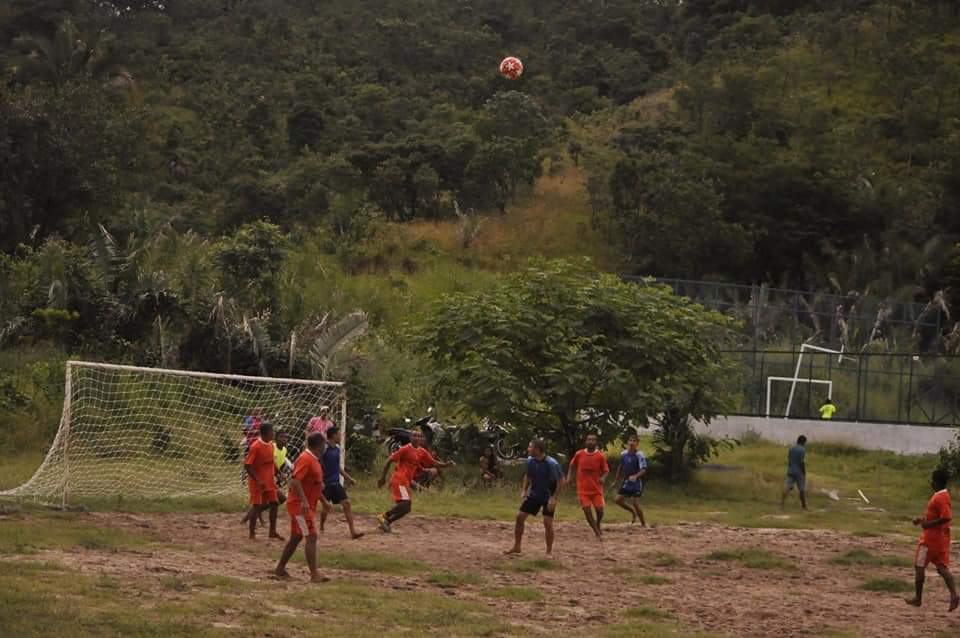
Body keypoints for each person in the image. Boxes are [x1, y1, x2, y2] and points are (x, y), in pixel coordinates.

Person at [274, 432, 333, 583]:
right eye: (324, 443)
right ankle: (314, 574)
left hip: (304, 506)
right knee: (311, 536)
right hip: (299, 508)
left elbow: (315, 485)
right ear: (319, 445)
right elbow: (295, 482)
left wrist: (324, 501)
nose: (326, 446)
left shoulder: (314, 460)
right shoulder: (306, 459)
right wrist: (304, 502)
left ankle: (280, 568)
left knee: (296, 537)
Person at [906, 469, 959, 611]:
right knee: (942, 568)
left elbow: (946, 517)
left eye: (932, 480)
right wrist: (922, 520)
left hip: (930, 540)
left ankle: (918, 598)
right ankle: (954, 594)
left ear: (936, 482)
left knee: (919, 566)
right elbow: (937, 516)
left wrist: (928, 524)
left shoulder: (939, 498)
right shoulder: (944, 495)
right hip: (941, 539)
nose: (930, 482)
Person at [505, 439, 563, 556]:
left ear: (537, 449)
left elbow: (561, 481)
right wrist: (524, 490)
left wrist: (554, 498)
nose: (528, 449)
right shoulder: (530, 460)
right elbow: (528, 475)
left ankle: (549, 552)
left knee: (547, 522)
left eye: (530, 447)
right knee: (519, 517)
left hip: (548, 495)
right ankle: (517, 546)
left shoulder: (552, 463)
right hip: (535, 494)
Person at [319, 426, 364, 540]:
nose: (340, 436)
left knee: (347, 504)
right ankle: (321, 527)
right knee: (326, 508)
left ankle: (353, 532)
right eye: (339, 434)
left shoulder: (337, 449)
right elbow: (317, 465)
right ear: (333, 436)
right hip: (325, 483)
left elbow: (337, 467)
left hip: (335, 482)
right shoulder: (324, 449)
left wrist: (349, 478)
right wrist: (319, 481)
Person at [241, 422, 283, 540]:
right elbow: (247, 466)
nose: (274, 433)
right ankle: (252, 534)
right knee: (257, 506)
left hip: (269, 481)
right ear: (266, 433)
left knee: (275, 503)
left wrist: (279, 473)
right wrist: (258, 480)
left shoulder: (270, 444)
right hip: (257, 483)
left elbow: (271, 462)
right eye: (272, 431)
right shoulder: (256, 446)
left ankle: (272, 532)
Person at [567, 433, 610, 540]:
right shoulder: (579, 454)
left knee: (600, 510)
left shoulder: (600, 456)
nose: (591, 442)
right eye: (589, 440)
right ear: (585, 442)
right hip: (582, 489)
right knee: (587, 510)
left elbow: (606, 471)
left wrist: (603, 478)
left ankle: (598, 523)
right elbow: (572, 465)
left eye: (593, 440)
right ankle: (597, 533)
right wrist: (569, 478)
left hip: (596, 489)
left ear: (596, 443)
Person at [610, 434, 648, 527]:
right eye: (630, 440)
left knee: (636, 503)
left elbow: (644, 469)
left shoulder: (639, 455)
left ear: (637, 444)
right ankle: (632, 512)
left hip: (637, 482)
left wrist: (636, 476)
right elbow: (620, 467)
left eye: (634, 441)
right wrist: (615, 481)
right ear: (628, 442)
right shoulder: (623, 454)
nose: (632, 443)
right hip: (627, 481)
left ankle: (643, 524)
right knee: (618, 500)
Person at [781, 435, 808, 511]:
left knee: (787, 487)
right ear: (803, 442)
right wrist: (804, 472)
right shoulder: (802, 450)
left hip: (791, 470)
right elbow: (802, 463)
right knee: (801, 489)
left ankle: (782, 503)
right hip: (799, 472)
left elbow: (789, 458)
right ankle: (804, 506)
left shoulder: (792, 448)